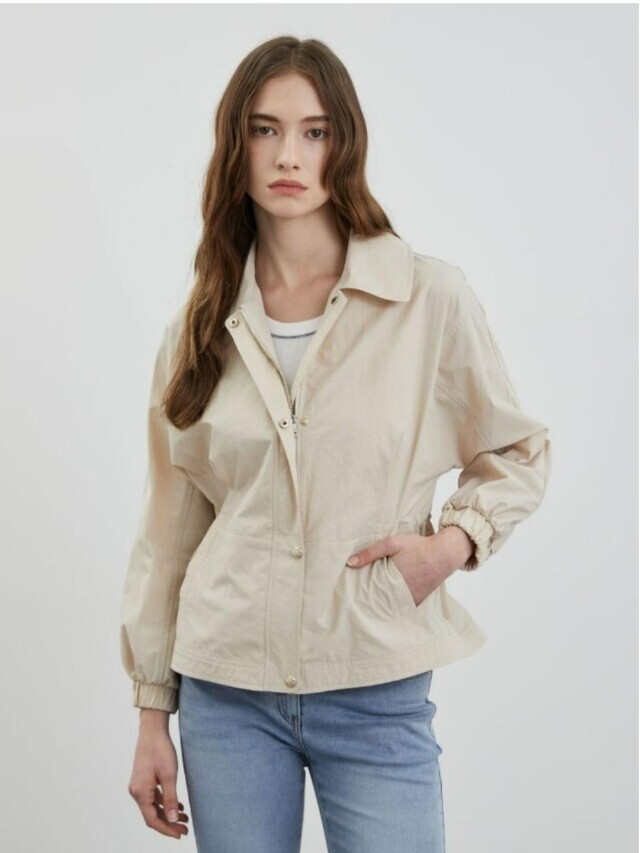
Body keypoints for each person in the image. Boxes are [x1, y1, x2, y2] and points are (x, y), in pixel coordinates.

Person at [120, 35, 551, 853]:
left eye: (314, 132)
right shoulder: (199, 326)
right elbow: (169, 533)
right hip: (227, 690)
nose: (289, 154)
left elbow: (518, 452)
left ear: (344, 145)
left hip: (375, 682)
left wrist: (452, 543)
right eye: (265, 129)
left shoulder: (426, 297)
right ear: (236, 146)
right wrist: (151, 715)